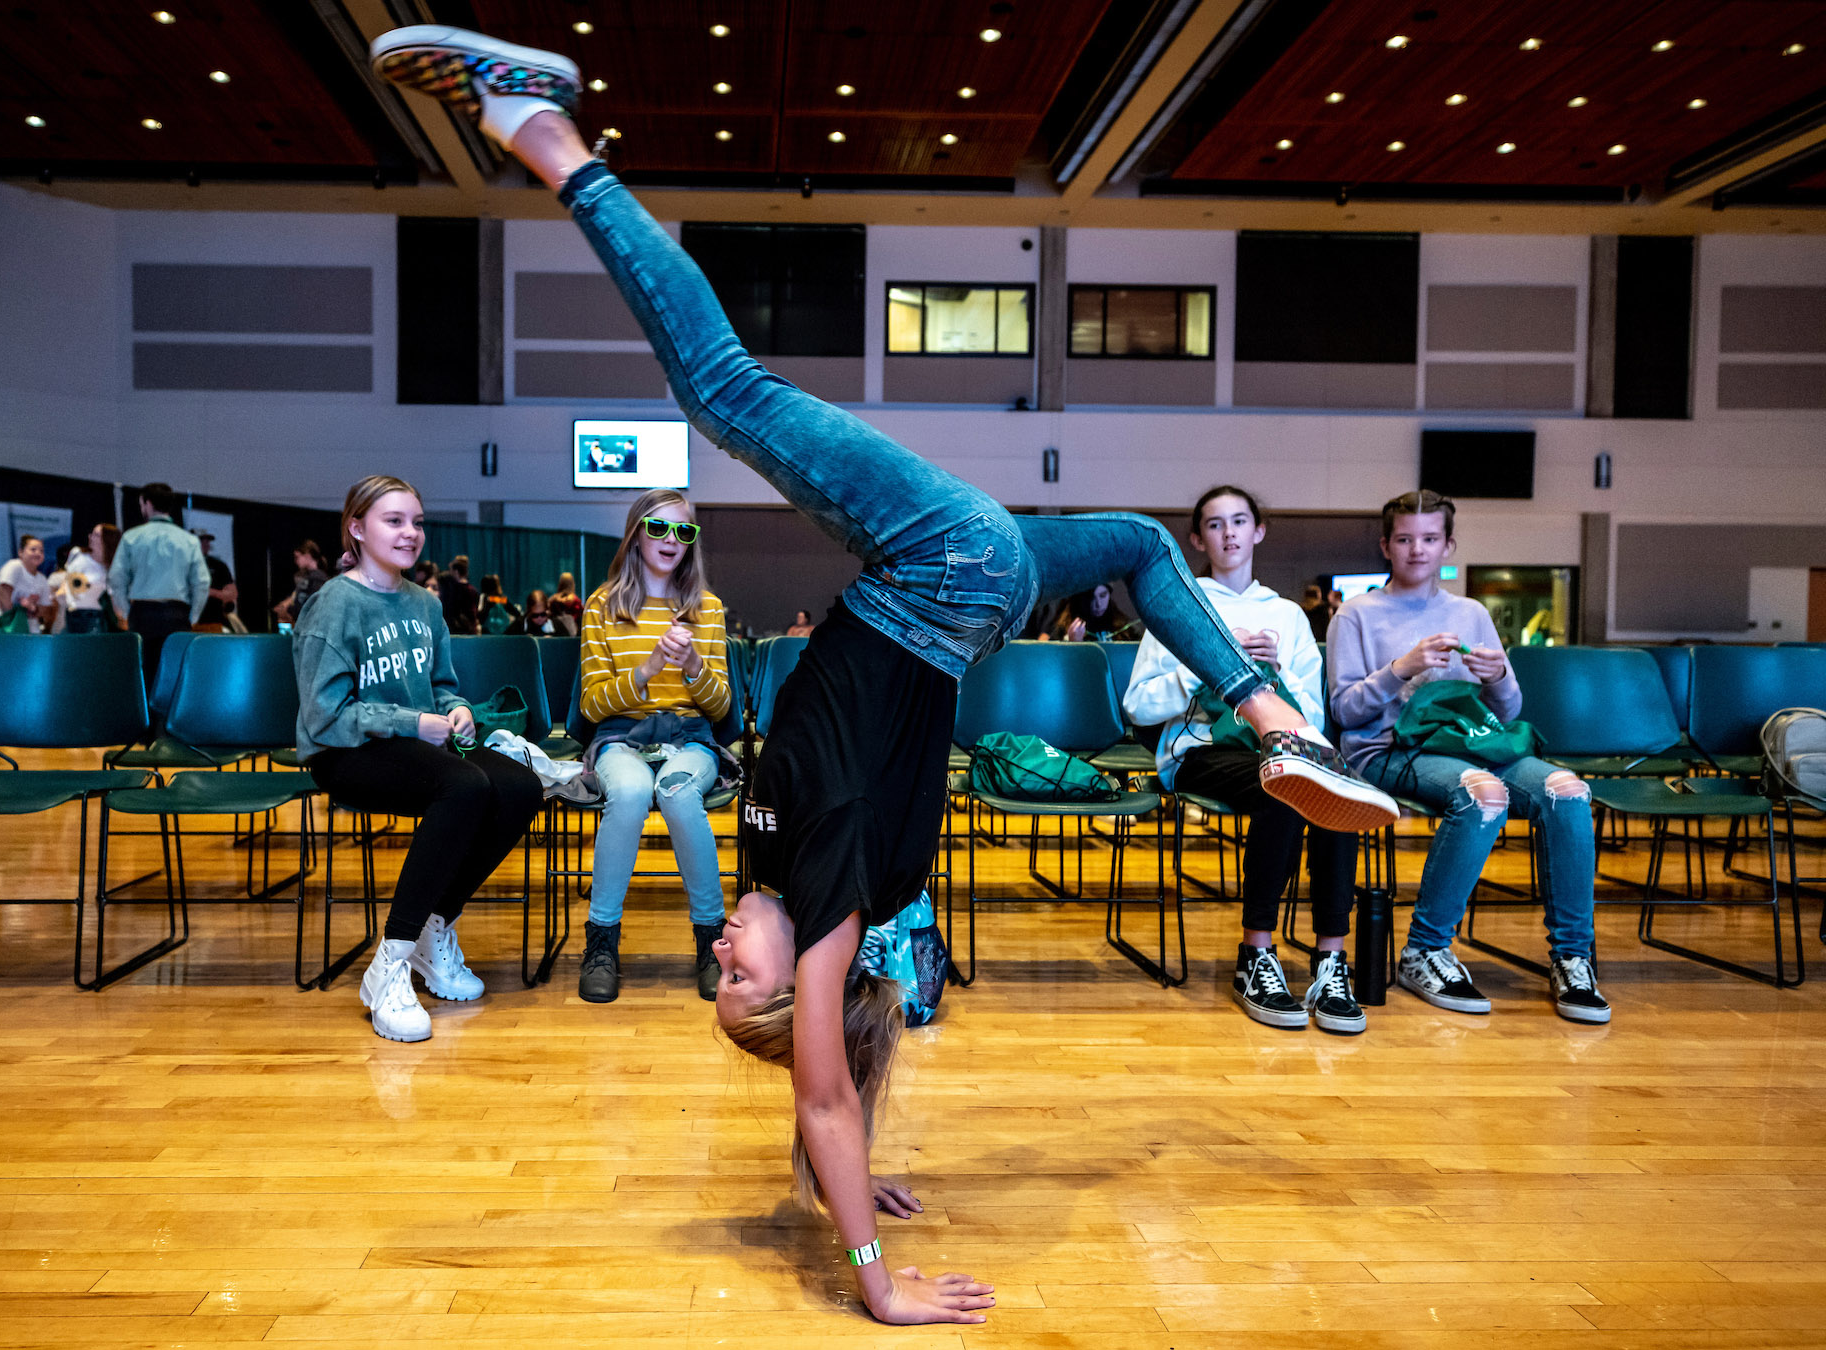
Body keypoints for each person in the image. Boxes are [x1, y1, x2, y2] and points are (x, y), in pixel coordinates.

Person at [372, 27, 1395, 1324]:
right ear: (802, 974)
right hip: (939, 575)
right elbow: (824, 1082)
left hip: (973, 594)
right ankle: (545, 133)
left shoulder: (772, 861)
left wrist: (834, 1171)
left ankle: (1269, 718)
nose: (726, 953)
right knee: (724, 388)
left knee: (1141, 543)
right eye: (742, 977)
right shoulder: (837, 891)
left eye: (723, 968)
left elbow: (829, 1087)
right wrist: (875, 1277)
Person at [1328, 490, 1607, 1025]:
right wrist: (1399, 669)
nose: (1417, 550)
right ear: (1386, 545)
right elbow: (1344, 711)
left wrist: (1499, 676)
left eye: (1429, 539)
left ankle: (1573, 958)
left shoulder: (1470, 612)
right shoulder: (1356, 614)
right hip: (1386, 750)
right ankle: (1425, 950)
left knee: (1569, 790)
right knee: (1483, 793)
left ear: (1447, 545)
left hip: (1471, 742)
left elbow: (1509, 707)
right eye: (1405, 539)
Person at [293, 474, 542, 1043]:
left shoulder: (425, 604)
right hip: (346, 752)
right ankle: (390, 963)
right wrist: (412, 722)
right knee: (465, 787)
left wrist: (457, 710)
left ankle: (435, 927)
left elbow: (441, 685)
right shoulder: (333, 606)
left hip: (418, 747)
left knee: (521, 786)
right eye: (394, 521)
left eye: (418, 522)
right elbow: (323, 715)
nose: (410, 533)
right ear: (356, 528)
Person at [1125, 487, 1363, 1034]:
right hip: (1201, 751)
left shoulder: (1286, 614)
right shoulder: (1178, 607)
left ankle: (1331, 959)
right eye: (1214, 524)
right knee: (1281, 784)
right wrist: (1204, 663)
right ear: (1197, 539)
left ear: (1258, 531)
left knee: (1331, 788)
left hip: (1273, 744)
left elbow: (1314, 722)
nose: (1228, 533)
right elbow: (1137, 705)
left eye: (1239, 522)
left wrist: (1280, 668)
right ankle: (1257, 952)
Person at [574, 489, 734, 1003]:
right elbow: (593, 706)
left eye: (684, 531)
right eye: (659, 528)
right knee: (629, 790)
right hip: (621, 736)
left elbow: (721, 708)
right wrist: (645, 672)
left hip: (691, 737)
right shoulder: (602, 605)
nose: (672, 540)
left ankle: (713, 940)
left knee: (677, 790)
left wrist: (691, 666)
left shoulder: (707, 609)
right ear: (636, 533)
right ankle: (601, 941)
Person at [105, 483, 208, 690]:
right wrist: (193, 615)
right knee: (176, 674)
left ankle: (147, 722)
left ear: (147, 503)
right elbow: (201, 582)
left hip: (143, 613)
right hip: (177, 614)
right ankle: (170, 721)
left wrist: (126, 610)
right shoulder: (188, 540)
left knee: (143, 675)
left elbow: (116, 578)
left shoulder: (132, 537)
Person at [0, 534, 58, 635]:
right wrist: (20, 610)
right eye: (33, 550)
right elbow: (4, 597)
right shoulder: (13, 566)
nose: (38, 553)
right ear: (21, 552)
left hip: (30, 629)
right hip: (5, 625)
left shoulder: (42, 579)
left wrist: (33, 609)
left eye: (41, 551)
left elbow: (44, 611)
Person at [61, 524, 120, 635]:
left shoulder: (110, 569)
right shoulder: (78, 554)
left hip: (93, 617)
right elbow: (67, 579)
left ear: (107, 539)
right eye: (92, 534)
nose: (91, 537)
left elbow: (114, 599)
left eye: (96, 535)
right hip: (71, 614)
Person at [1038, 583, 1133, 641]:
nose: (1099, 604)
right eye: (1091, 598)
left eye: (1103, 595)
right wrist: (1074, 645)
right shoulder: (1065, 629)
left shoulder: (1123, 628)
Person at [273, 540, 330, 626]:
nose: (296, 561)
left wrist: (289, 611)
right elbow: (298, 598)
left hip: (311, 626)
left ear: (307, 555)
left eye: (297, 557)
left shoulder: (318, 578)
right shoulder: (305, 576)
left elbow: (312, 605)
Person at [194, 528, 239, 631]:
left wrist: (209, 592)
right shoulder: (184, 565)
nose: (206, 544)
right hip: (189, 621)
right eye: (202, 541)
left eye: (207, 541)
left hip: (214, 621)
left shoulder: (218, 565)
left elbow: (232, 594)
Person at [436, 553, 480, 634]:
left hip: (459, 629)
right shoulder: (473, 590)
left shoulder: (454, 590)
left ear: (456, 571)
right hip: (470, 627)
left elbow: (452, 610)